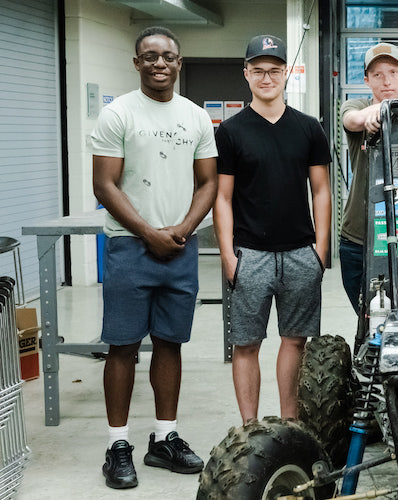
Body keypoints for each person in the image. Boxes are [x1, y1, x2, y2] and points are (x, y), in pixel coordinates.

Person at [91, 26, 217, 489]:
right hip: (129, 247)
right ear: (137, 63)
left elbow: (208, 182)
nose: (159, 63)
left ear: (179, 63)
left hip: (179, 248)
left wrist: (181, 230)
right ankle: (117, 445)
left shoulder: (196, 117)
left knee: (170, 342)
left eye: (167, 56)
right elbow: (104, 184)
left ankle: (164, 438)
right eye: (149, 56)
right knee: (122, 346)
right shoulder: (118, 114)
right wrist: (147, 232)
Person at [213, 35, 332, 424]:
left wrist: (321, 251)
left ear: (286, 74)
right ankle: (249, 428)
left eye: (275, 70)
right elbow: (222, 198)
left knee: (295, 340)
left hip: (300, 253)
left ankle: (289, 425)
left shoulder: (309, 128)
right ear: (246, 74)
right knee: (246, 344)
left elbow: (321, 191)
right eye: (259, 70)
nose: (267, 78)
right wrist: (229, 256)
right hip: (250, 254)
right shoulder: (230, 132)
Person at [339, 42, 398, 314]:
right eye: (377, 75)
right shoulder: (357, 106)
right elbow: (351, 119)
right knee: (367, 317)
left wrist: (386, 111)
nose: (386, 81)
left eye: (393, 72)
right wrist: (372, 114)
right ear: (366, 80)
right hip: (359, 237)